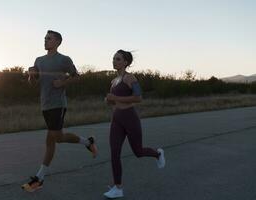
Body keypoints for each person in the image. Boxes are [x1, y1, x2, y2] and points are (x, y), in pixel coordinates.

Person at [21, 30, 98, 192]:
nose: (45, 41)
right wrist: (31, 76)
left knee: (55, 138)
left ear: (57, 42)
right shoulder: (39, 60)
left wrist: (63, 83)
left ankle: (39, 178)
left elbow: (77, 77)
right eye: (44, 38)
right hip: (45, 105)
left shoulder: (64, 60)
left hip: (58, 104)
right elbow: (33, 84)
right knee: (54, 139)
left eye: (49, 39)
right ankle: (87, 142)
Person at [103, 50, 165, 198]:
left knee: (138, 152)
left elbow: (138, 98)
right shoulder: (113, 81)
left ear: (126, 62)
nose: (114, 61)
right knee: (114, 153)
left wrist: (115, 97)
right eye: (113, 59)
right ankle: (118, 188)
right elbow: (113, 100)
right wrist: (108, 100)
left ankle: (157, 153)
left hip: (130, 118)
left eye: (118, 59)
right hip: (117, 119)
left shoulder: (130, 78)